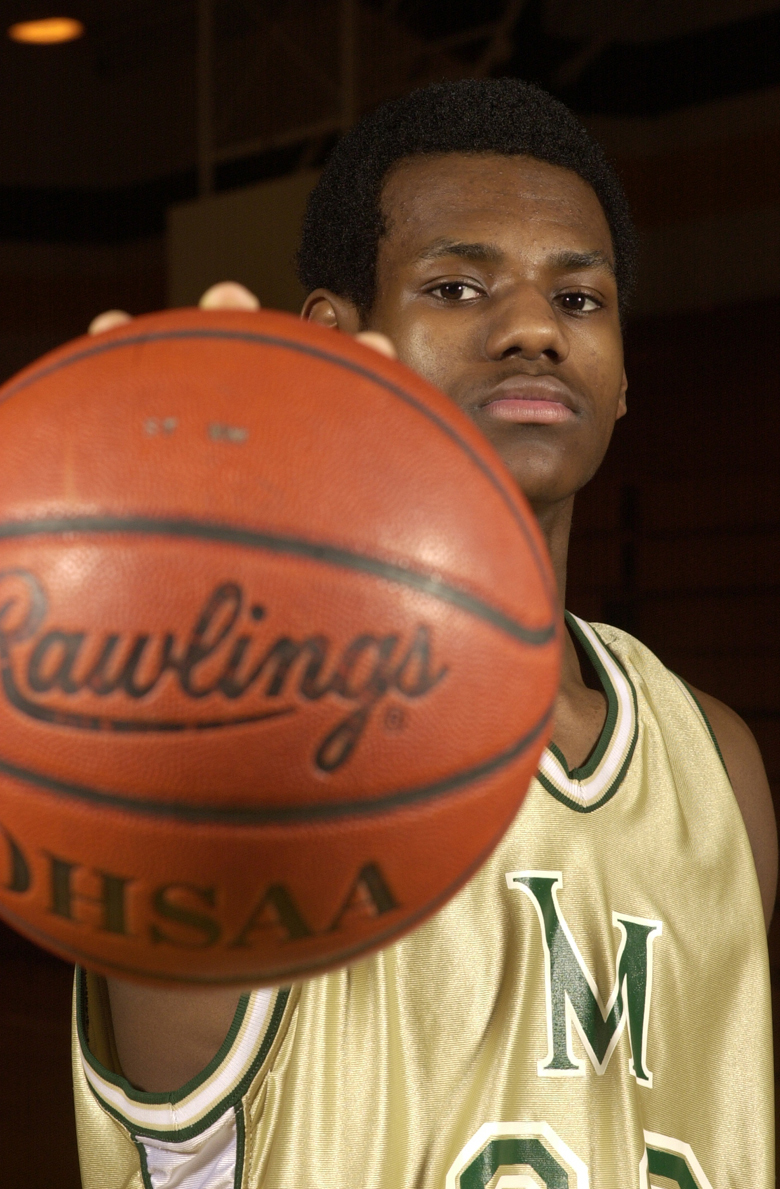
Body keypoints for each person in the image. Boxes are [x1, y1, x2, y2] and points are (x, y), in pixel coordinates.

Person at [73, 79, 776, 1189]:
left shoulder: (715, 767)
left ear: (626, 371)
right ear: (340, 345)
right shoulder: (245, 738)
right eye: (458, 286)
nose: (537, 328)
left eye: (581, 300)